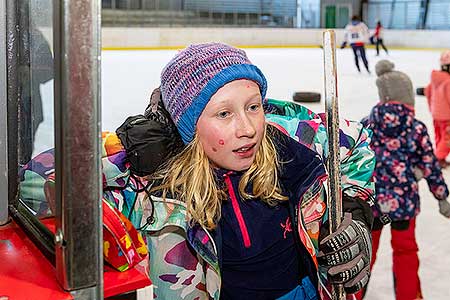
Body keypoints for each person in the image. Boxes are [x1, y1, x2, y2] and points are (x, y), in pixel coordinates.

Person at [139, 42, 375, 300]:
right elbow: (96, 186)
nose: (248, 129)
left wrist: (354, 210)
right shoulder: (165, 185)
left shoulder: (286, 143)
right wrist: (126, 149)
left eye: (253, 107)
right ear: (189, 127)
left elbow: (356, 141)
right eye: (224, 113)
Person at [357, 60, 450, 300]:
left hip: (372, 204)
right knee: (406, 250)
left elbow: (350, 161)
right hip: (404, 204)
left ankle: (352, 296)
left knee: (365, 253)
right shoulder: (415, 128)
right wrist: (442, 196)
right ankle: (409, 295)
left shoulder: (366, 125)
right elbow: (430, 164)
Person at [424, 50, 450, 168]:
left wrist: (432, 109)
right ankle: (438, 158)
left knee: (439, 136)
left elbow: (428, 92)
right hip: (447, 117)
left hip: (436, 115)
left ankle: (440, 157)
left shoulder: (435, 79)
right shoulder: (448, 81)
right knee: (447, 139)